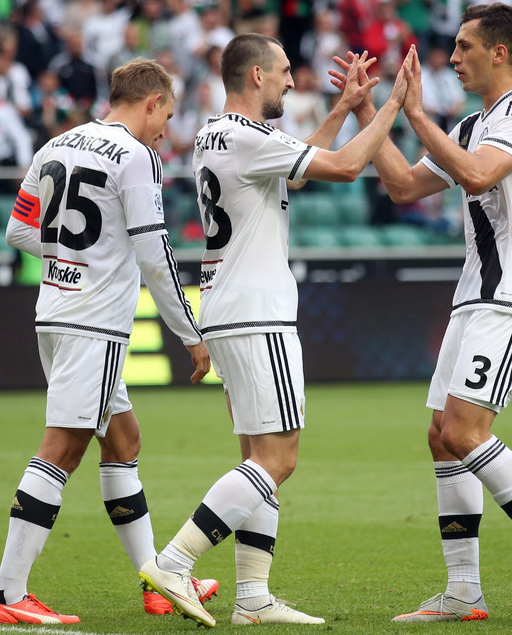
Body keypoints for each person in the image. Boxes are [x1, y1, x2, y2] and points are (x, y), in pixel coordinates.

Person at [139, 33, 410, 628]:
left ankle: (253, 598)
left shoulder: (219, 135)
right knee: (278, 460)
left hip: (227, 305)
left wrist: (342, 109)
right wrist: (392, 105)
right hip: (257, 309)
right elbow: (341, 166)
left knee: (256, 457)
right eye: (285, 71)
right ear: (257, 75)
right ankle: (174, 561)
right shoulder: (248, 136)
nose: (292, 81)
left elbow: (296, 172)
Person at [340, 2, 512, 623]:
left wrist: (419, 113)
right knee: (441, 438)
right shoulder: (472, 124)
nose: (452, 58)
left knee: (463, 432)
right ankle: (462, 591)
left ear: (499, 52)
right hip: (476, 295)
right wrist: (373, 108)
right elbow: (401, 184)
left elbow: (479, 178)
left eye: (463, 47)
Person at [0, 58, 213, 625]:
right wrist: (191, 333)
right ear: (152, 102)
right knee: (60, 450)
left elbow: (18, 230)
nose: (166, 126)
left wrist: (70, 256)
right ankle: (8, 596)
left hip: (55, 312)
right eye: (167, 112)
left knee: (123, 441)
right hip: (94, 322)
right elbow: (156, 257)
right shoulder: (137, 158)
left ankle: (156, 580)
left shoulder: (56, 145)